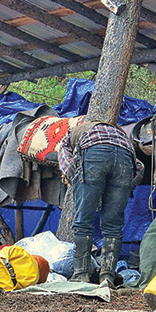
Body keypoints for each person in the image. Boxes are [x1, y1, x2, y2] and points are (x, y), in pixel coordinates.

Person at [58, 120, 144, 288]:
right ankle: (107, 277)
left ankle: (82, 274)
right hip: (125, 160)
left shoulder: (70, 136)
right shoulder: (120, 135)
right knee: (113, 226)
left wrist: (79, 185)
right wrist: (124, 189)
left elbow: (67, 163)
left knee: (83, 221)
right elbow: (139, 167)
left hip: (94, 154)